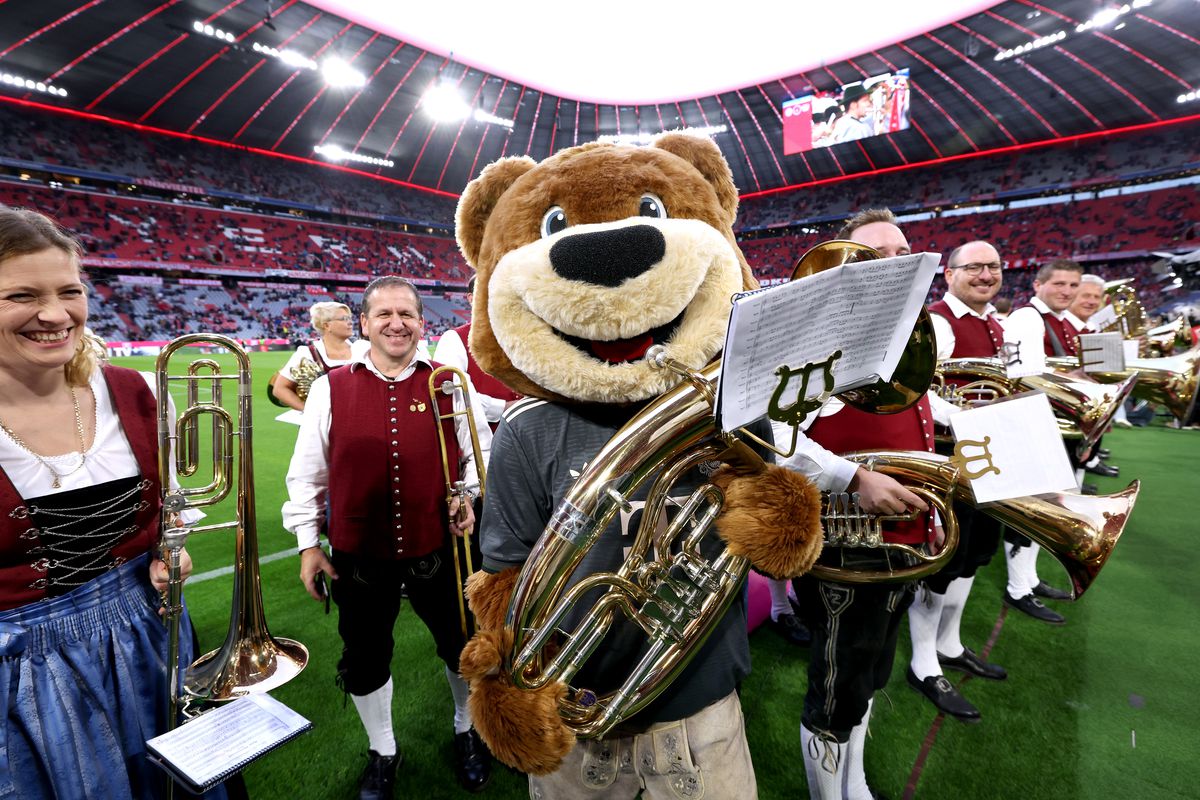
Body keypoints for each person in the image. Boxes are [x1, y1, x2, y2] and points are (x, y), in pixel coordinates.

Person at [0, 208, 225, 799]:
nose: (54, 314)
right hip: (19, 673)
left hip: (149, 634)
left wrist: (165, 547)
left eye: (69, 291)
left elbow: (163, 507)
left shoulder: (130, 389)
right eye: (22, 295)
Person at [282, 276, 493, 797]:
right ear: (365, 323)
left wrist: (466, 496)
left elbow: (478, 456)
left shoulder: (448, 382)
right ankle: (383, 750)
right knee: (365, 657)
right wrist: (309, 543)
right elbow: (308, 472)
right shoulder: (331, 387)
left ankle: (468, 732)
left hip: (438, 548)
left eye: (407, 314)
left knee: (460, 647)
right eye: (384, 314)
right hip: (358, 553)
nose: (396, 323)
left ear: (422, 322)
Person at [783, 208, 959, 800]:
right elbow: (773, 439)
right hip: (845, 546)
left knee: (869, 677)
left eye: (901, 253)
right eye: (873, 255)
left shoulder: (911, 335)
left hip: (901, 541)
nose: (892, 264)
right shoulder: (816, 342)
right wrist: (854, 478)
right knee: (836, 690)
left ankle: (852, 785)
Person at [911, 240, 1011, 723]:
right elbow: (922, 393)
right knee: (944, 562)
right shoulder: (939, 323)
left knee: (975, 555)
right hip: (952, 458)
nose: (985, 275)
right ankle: (922, 659)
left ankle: (949, 643)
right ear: (949, 274)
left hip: (987, 454)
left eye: (993, 266)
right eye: (974, 267)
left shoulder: (995, 321)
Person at [1000, 260, 1085, 625]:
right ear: (1038, 284)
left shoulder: (1061, 322)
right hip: (1034, 426)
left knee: (1044, 508)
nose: (1066, 291)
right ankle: (1018, 588)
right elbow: (1022, 377)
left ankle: (1029, 579)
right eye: (1059, 283)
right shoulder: (1027, 318)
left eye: (1072, 285)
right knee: (1029, 513)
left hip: (1056, 425)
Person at [430, 276, 520, 429]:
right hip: (484, 442)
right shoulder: (454, 339)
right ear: (471, 298)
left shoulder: (524, 336)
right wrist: (505, 407)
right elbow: (449, 394)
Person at [271, 301, 369, 412]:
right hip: (323, 427)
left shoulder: (364, 348)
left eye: (350, 318)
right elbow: (279, 389)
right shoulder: (308, 353)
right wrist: (310, 413)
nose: (351, 322)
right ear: (326, 325)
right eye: (344, 319)